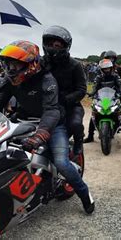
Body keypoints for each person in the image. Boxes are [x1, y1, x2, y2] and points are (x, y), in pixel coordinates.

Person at [0, 40, 94, 213]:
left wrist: (41, 134)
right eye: (9, 64)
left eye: (16, 64)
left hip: (52, 124)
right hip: (22, 121)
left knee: (61, 162)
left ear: (31, 64)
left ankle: (84, 193)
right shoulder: (9, 80)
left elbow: (52, 111)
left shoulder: (47, 79)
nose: (11, 69)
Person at [41, 25, 86, 156]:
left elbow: (82, 89)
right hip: (47, 105)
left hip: (70, 105)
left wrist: (64, 99)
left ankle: (78, 141)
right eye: (49, 44)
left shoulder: (75, 65)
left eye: (57, 45)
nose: (52, 47)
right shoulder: (41, 63)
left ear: (65, 46)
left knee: (76, 124)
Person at [84, 59, 121, 144]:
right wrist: (91, 93)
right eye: (105, 69)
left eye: (108, 68)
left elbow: (120, 85)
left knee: (120, 116)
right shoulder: (99, 77)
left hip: (113, 98)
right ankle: (90, 136)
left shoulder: (115, 76)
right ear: (102, 69)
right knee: (94, 115)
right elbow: (95, 87)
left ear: (111, 68)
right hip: (102, 99)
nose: (107, 70)